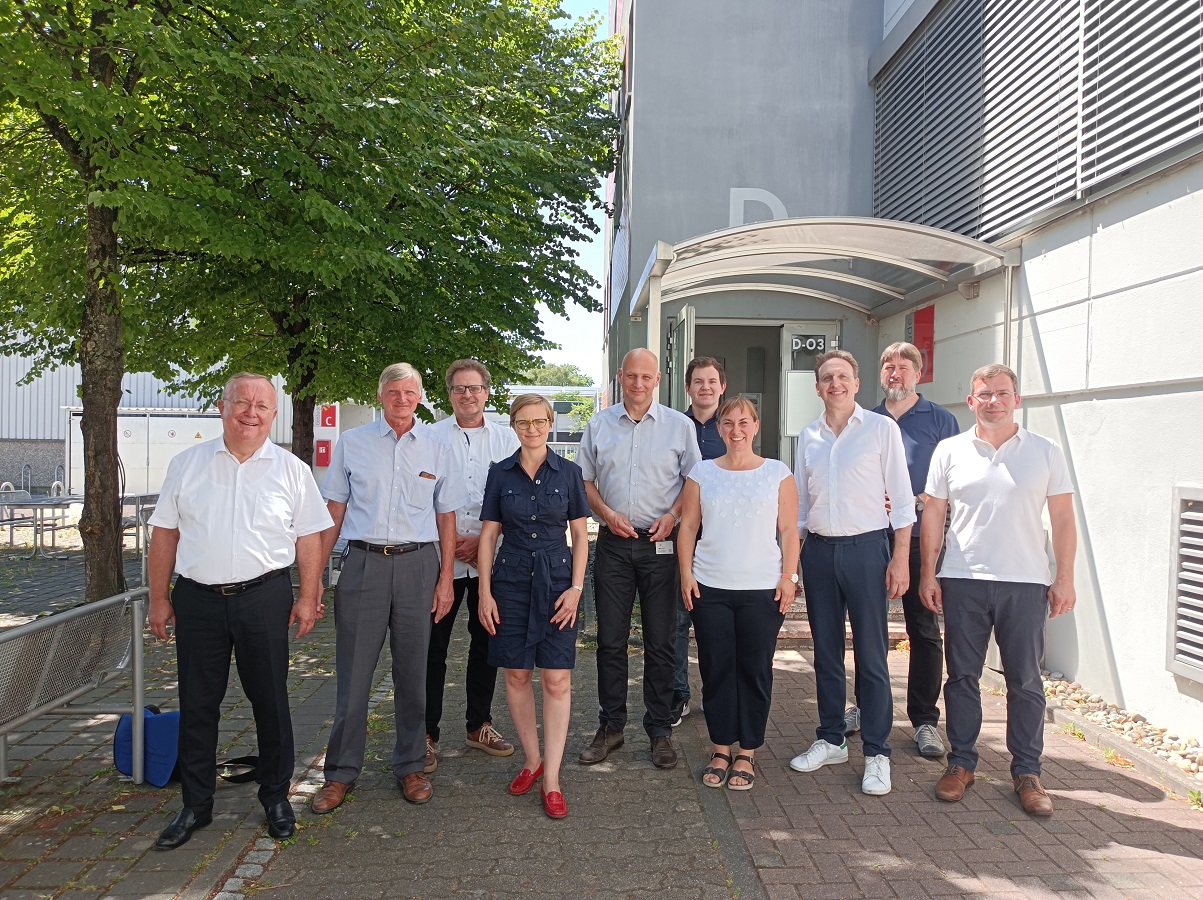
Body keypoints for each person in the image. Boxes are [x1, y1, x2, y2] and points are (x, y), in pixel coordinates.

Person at [147, 373, 333, 849]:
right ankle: (196, 806)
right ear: (221, 406)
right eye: (242, 402)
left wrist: (309, 595)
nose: (251, 412)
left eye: (262, 406)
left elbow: (309, 536)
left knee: (270, 700)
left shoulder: (292, 470)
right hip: (198, 599)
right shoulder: (187, 464)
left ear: (274, 414)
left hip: (264, 597)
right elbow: (165, 533)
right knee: (198, 704)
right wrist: (158, 597)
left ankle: (275, 797)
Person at [920, 363, 1076, 817]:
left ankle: (1027, 771)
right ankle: (962, 763)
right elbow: (933, 515)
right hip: (964, 579)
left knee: (1026, 681)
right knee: (963, 677)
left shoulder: (1045, 451)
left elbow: (1063, 520)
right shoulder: (949, 450)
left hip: (1025, 582)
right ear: (971, 401)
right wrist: (929, 572)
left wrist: (1063, 576)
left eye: (1002, 393)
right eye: (984, 394)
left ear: (1016, 399)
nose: (993, 400)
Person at [311, 363, 466, 813]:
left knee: (414, 673)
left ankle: (411, 765)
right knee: (354, 677)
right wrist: (315, 581)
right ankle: (340, 773)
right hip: (363, 565)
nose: (402, 399)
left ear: (420, 397)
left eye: (410, 392)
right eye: (393, 392)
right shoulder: (353, 444)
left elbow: (446, 517)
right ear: (381, 396)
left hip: (419, 565)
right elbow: (334, 510)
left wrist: (444, 582)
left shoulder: (437, 447)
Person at [788, 349, 914, 796]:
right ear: (817, 386)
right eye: (827, 377)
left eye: (843, 376)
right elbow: (801, 506)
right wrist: (793, 565)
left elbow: (901, 500)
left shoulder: (882, 429)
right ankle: (831, 738)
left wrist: (900, 558)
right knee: (825, 652)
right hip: (820, 553)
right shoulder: (808, 435)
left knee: (872, 656)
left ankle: (877, 752)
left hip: (866, 551)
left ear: (856, 383)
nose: (835, 384)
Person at [577, 348, 702, 769]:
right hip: (614, 544)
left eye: (646, 377)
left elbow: (693, 482)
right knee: (609, 641)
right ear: (620, 377)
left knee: (661, 643)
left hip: (661, 546)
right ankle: (611, 727)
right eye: (631, 376)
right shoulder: (599, 424)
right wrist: (607, 514)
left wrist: (672, 516)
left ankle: (660, 730)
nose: (638, 384)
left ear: (658, 379)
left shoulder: (679, 426)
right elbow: (585, 482)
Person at [844, 342, 960, 758]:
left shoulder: (941, 421)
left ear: (919, 374)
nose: (896, 373)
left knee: (924, 629)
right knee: (867, 628)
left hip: (921, 540)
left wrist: (919, 500)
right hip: (872, 537)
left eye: (904, 367)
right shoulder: (864, 419)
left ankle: (925, 721)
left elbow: (954, 481)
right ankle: (864, 706)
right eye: (889, 367)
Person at [477, 394, 590, 818]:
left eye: (539, 421)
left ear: (550, 424)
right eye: (523, 422)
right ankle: (531, 759)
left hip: (559, 584)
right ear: (513, 426)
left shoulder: (570, 472)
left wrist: (577, 588)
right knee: (517, 673)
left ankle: (553, 778)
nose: (532, 428)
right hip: (509, 583)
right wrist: (485, 592)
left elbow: (580, 535)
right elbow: (488, 536)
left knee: (557, 680)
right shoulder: (499, 474)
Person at [678, 397, 798, 790]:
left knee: (755, 668)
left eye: (743, 422)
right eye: (728, 423)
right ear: (719, 428)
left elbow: (789, 531)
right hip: (710, 586)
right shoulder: (702, 473)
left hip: (762, 589)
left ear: (756, 426)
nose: (736, 430)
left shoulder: (778, 473)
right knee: (716, 669)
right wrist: (685, 574)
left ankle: (747, 750)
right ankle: (720, 748)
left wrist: (789, 577)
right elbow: (688, 528)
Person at [425, 360, 519, 771]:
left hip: (489, 561)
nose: (467, 395)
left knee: (486, 645)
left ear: (486, 392)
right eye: (459, 388)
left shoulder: (506, 441)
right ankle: (425, 734)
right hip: (438, 560)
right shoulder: (427, 438)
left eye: (475, 388)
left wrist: (481, 541)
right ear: (449, 394)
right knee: (431, 648)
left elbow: (515, 499)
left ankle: (478, 724)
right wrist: (450, 544)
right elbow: (418, 499)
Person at [672, 357, 728, 727]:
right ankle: (678, 695)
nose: (705, 387)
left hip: (726, 540)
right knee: (676, 621)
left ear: (722, 386)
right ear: (688, 388)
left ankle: (717, 695)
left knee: (718, 625)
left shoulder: (734, 425)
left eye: (712, 381)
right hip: (682, 537)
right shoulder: (674, 427)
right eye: (698, 381)